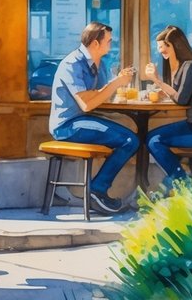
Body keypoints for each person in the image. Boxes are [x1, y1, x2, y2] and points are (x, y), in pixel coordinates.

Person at [48, 21, 139, 215]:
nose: (111, 45)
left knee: (130, 138)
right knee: (129, 140)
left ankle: (97, 190)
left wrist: (118, 86)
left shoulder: (100, 64)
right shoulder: (72, 64)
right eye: (108, 41)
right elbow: (87, 103)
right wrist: (116, 83)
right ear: (95, 44)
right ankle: (96, 190)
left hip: (83, 120)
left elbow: (102, 95)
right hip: (67, 125)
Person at [144, 25, 192, 187]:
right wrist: (161, 91)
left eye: (163, 47)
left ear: (175, 46)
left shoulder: (191, 66)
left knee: (154, 142)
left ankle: (181, 180)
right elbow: (181, 94)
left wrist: (157, 80)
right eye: (158, 47)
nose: (160, 51)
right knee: (149, 137)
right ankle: (179, 178)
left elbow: (181, 99)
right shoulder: (181, 66)